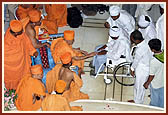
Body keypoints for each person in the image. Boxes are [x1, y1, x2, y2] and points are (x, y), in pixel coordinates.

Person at [4, 20, 38, 90]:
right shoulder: (6, 43)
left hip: (23, 64)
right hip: (12, 69)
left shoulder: (20, 33)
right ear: (16, 33)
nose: (23, 31)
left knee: (25, 80)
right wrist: (16, 59)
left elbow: (27, 42)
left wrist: (33, 51)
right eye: (21, 31)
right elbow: (6, 58)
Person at [128, 30, 152, 104]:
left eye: (132, 39)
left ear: (136, 40)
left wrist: (132, 69)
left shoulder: (140, 50)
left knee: (139, 86)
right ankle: (138, 99)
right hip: (148, 65)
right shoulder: (148, 41)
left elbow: (136, 61)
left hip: (142, 68)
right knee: (141, 85)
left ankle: (137, 102)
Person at [143, 39, 164, 108]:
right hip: (164, 81)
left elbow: (151, 75)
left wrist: (147, 83)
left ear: (152, 50)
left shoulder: (153, 61)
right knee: (163, 98)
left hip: (156, 83)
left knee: (155, 99)